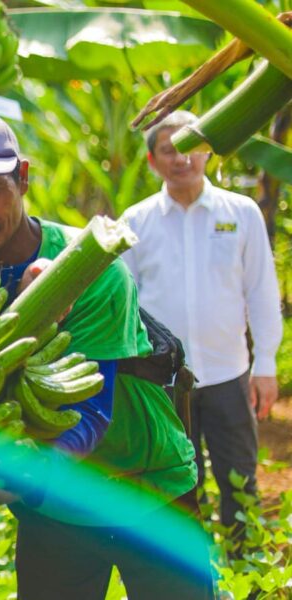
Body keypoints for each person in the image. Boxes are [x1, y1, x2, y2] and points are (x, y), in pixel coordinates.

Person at [0, 110, 213, 599]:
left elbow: (90, 407)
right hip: (56, 509)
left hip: (146, 486)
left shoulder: (89, 266)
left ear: (23, 178)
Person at [121, 110, 283, 541]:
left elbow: (261, 291)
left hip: (229, 374)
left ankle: (247, 572)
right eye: (168, 151)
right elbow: (125, 305)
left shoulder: (241, 213)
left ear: (208, 151)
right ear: (153, 160)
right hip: (165, 385)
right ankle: (191, 577)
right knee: (178, 491)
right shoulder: (135, 223)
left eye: (190, 149)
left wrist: (265, 364)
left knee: (240, 484)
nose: (181, 159)